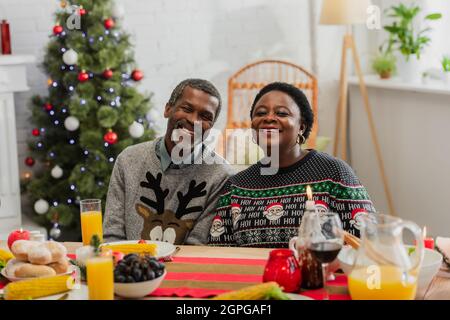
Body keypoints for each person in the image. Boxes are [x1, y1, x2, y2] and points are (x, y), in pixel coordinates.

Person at [208, 82, 375, 248]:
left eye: (281, 113)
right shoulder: (236, 187)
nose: (269, 118)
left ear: (301, 127)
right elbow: (219, 253)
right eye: (261, 113)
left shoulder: (334, 173)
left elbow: (370, 241)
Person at [104, 79, 233, 245]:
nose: (194, 121)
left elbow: (198, 247)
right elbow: (112, 235)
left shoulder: (221, 176)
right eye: (187, 109)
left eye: (205, 117)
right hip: (128, 266)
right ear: (168, 109)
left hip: (184, 270)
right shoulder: (128, 160)